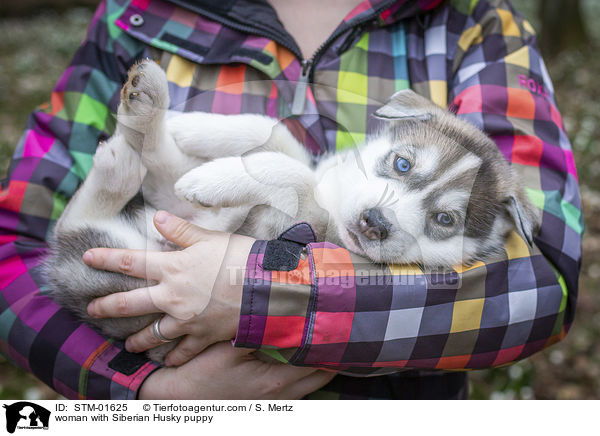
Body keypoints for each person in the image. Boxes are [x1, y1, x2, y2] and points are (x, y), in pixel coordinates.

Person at [0, 0, 581, 400]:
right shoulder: (138, 13)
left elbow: (542, 282)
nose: (383, 215)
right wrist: (144, 396)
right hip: (151, 320)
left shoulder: (476, 25)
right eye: (401, 167)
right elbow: (12, 244)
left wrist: (256, 291)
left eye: (444, 215)